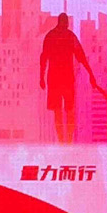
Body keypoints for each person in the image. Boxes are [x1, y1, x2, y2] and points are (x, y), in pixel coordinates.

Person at [39, 13, 95, 144]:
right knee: (66, 110)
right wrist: (91, 74)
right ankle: (67, 141)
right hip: (65, 78)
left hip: (55, 78)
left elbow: (44, 58)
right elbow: (81, 56)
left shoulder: (51, 36)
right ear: (64, 22)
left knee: (59, 111)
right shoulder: (69, 36)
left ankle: (64, 141)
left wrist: (41, 77)